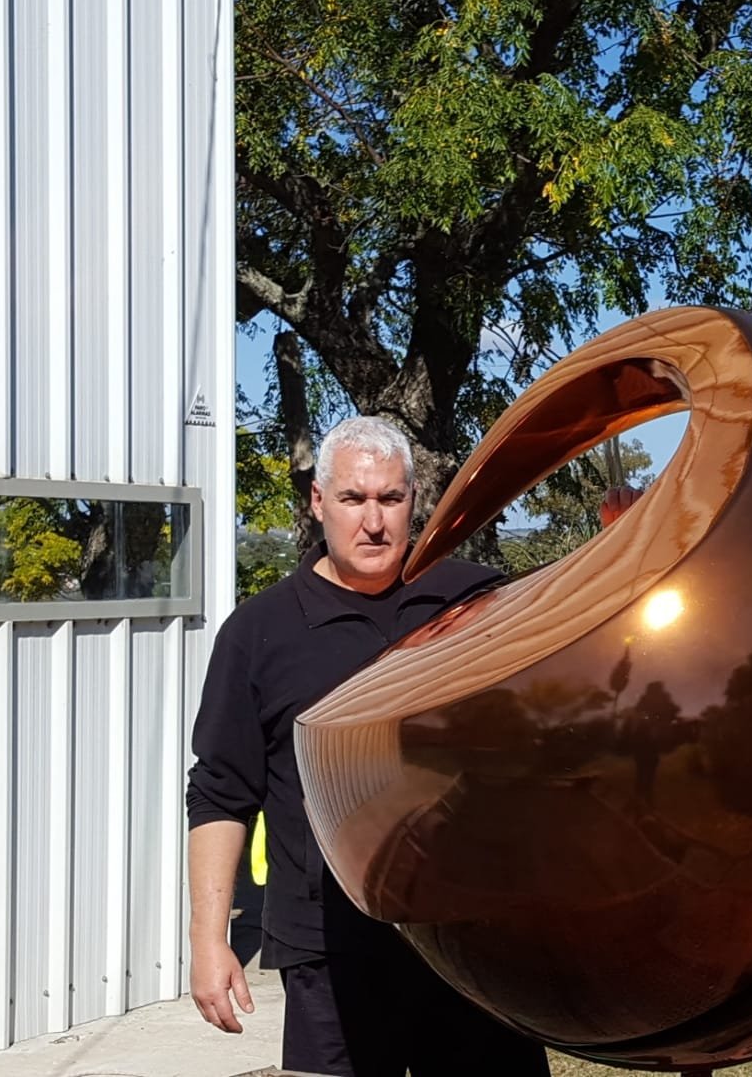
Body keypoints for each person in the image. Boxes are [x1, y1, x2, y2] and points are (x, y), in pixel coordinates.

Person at [185, 416, 553, 1077]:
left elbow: (566, 701)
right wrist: (208, 940)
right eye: (354, 500)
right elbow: (219, 792)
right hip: (332, 952)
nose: (374, 521)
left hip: (477, 943)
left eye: (391, 499)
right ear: (318, 502)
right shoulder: (260, 633)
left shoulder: (475, 600)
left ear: (416, 500)